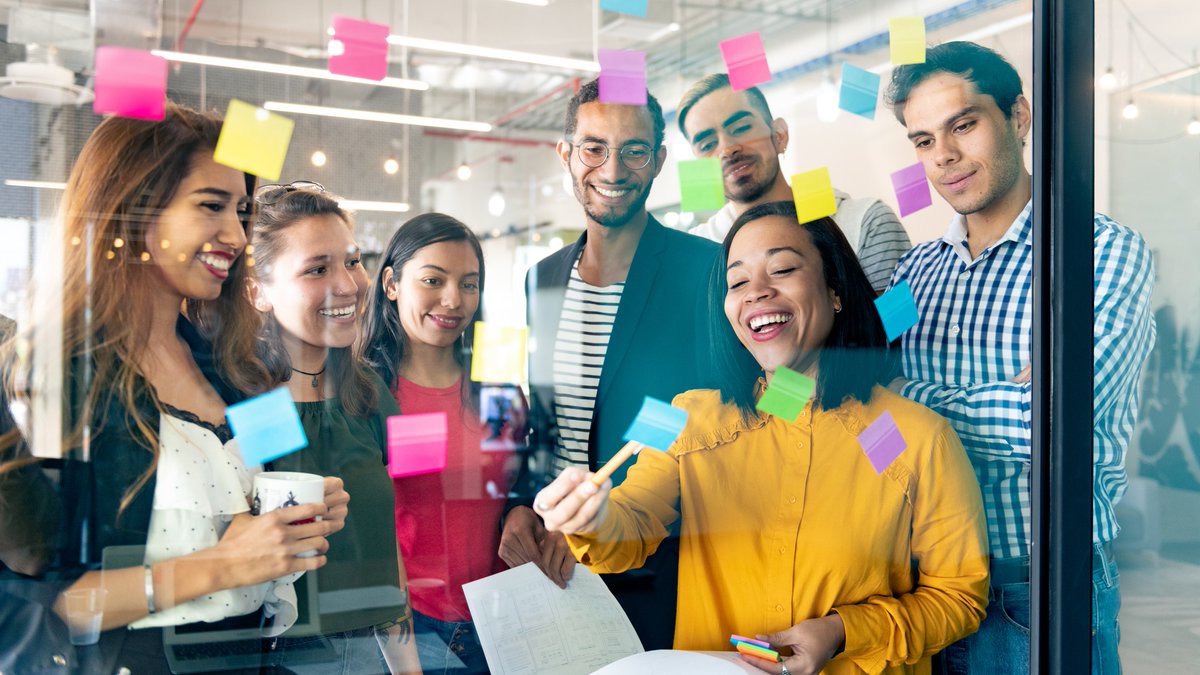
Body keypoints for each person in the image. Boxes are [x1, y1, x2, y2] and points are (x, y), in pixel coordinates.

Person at [534, 200, 989, 674]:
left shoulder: (910, 436)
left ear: (835, 290)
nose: (756, 292)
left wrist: (846, 631)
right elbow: (629, 526)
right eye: (736, 281)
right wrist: (594, 514)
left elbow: (959, 598)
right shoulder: (683, 414)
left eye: (783, 268)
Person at [0, 103, 349, 671]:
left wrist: (304, 514)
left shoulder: (243, 368)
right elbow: (42, 603)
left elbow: (275, 483)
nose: (235, 234)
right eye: (210, 206)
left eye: (240, 211)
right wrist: (223, 564)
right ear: (131, 207)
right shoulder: (57, 376)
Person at [885, 41, 1156, 675]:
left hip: (1035, 587)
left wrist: (910, 399)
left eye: (964, 124)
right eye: (923, 140)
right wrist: (989, 397)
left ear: (1021, 118)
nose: (944, 155)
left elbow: (1048, 421)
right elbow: (867, 411)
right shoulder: (911, 274)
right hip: (916, 585)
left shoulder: (1098, 254)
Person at [499, 78, 740, 651]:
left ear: (658, 160)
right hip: (550, 563)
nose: (612, 169)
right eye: (593, 147)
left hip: (658, 565)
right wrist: (519, 507)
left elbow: (713, 417)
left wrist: (600, 519)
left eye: (634, 149)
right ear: (565, 154)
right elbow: (546, 421)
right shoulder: (544, 278)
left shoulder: (706, 270)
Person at [247, 182, 420, 673]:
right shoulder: (246, 403)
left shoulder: (368, 395)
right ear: (258, 291)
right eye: (317, 269)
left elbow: (384, 547)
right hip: (284, 659)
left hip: (369, 657)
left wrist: (408, 667)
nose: (348, 284)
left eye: (352, 260)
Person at [360, 213, 518, 675]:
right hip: (412, 629)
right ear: (391, 283)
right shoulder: (367, 395)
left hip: (502, 619)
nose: (453, 300)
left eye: (469, 284)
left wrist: (523, 509)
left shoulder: (499, 389)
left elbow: (516, 486)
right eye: (433, 280)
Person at [676, 73, 911, 294]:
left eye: (741, 128)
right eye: (707, 145)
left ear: (779, 135)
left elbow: (899, 333)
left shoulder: (865, 222)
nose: (727, 149)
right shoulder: (695, 251)